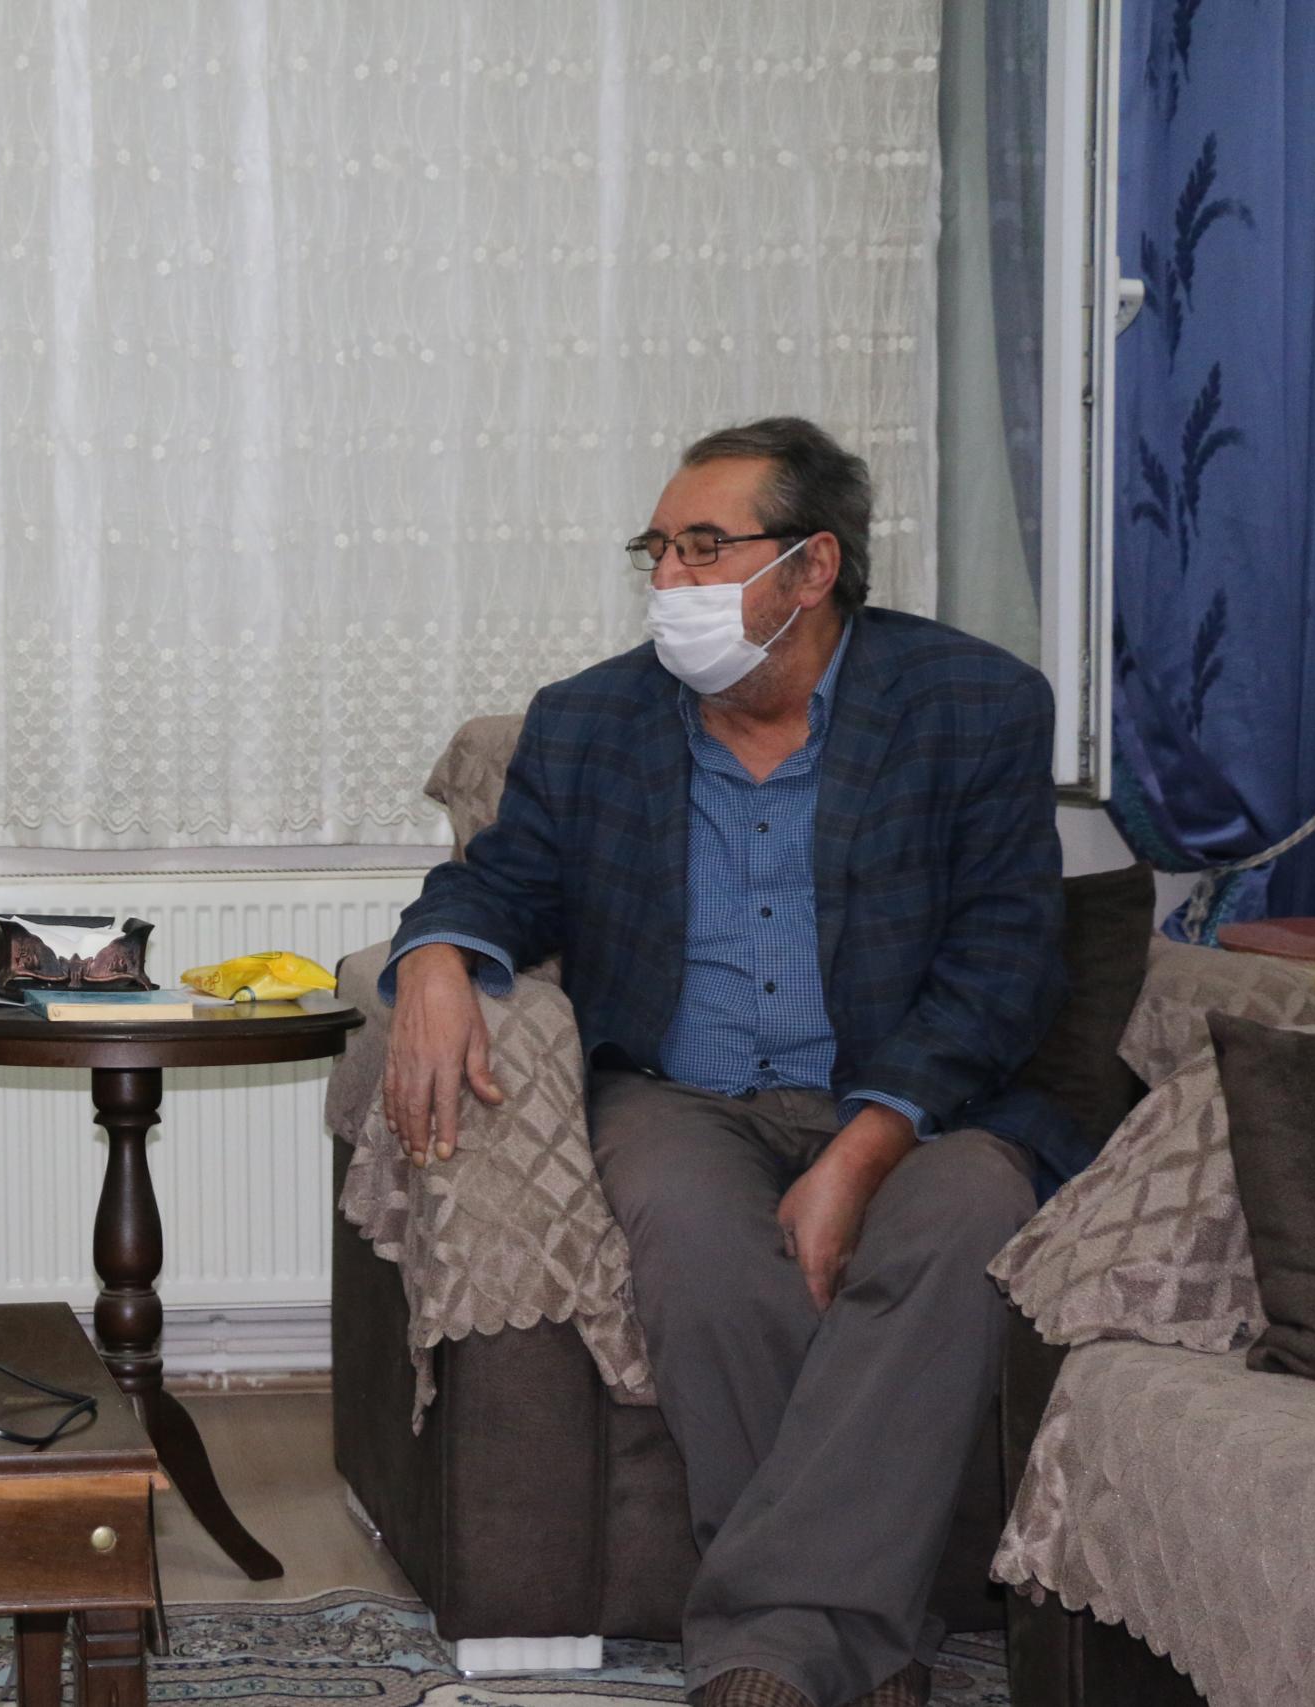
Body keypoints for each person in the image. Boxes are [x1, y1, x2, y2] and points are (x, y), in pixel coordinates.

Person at [379, 418, 1070, 1707]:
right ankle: (858, 1648)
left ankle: (774, 1649)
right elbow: (500, 884)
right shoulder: (591, 721)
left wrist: (863, 1150)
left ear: (813, 566)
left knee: (968, 1215)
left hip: (910, 1099)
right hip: (678, 1094)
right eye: (657, 549)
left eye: (704, 547)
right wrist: (434, 960)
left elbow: (1005, 962)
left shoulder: (973, 704)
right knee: (696, 1242)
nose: (669, 579)